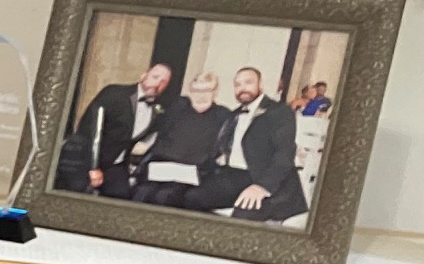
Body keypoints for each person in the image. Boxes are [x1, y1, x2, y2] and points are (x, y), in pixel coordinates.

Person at [185, 66, 308, 223]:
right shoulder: (234, 115)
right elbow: (218, 150)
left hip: (268, 179)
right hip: (235, 175)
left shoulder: (279, 112)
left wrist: (262, 187)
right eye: (237, 85)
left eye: (248, 82)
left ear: (260, 85)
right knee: (191, 197)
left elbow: (284, 155)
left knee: (243, 214)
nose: (242, 88)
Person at [66, 62, 170, 197]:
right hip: (85, 160)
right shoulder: (114, 93)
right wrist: (93, 167)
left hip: (117, 166)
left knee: (121, 198)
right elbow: (91, 130)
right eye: (155, 77)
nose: (157, 84)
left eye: (164, 81)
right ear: (144, 76)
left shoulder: (159, 109)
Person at [130, 72, 229, 208]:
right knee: (141, 193)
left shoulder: (223, 116)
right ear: (190, 91)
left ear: (215, 91)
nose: (201, 95)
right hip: (160, 166)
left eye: (206, 90)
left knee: (164, 197)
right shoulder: (177, 107)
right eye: (196, 90)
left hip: (191, 172)